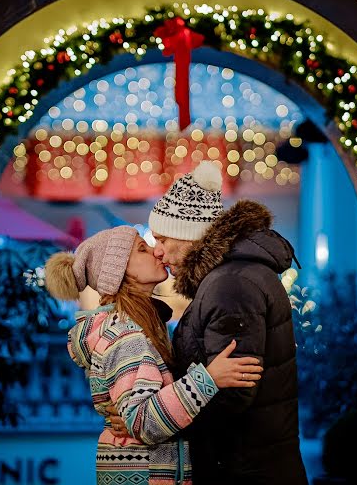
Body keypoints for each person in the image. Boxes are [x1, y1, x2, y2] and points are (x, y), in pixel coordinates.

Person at [45, 225, 264, 485]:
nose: (156, 252)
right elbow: (143, 421)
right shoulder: (126, 336)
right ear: (120, 272)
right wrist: (209, 379)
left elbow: (137, 413)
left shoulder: (137, 326)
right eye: (142, 249)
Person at [148, 160, 309, 484]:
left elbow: (233, 393)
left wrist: (159, 421)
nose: (158, 252)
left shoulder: (229, 284)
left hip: (241, 468)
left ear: (190, 234)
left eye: (164, 239)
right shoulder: (231, 277)